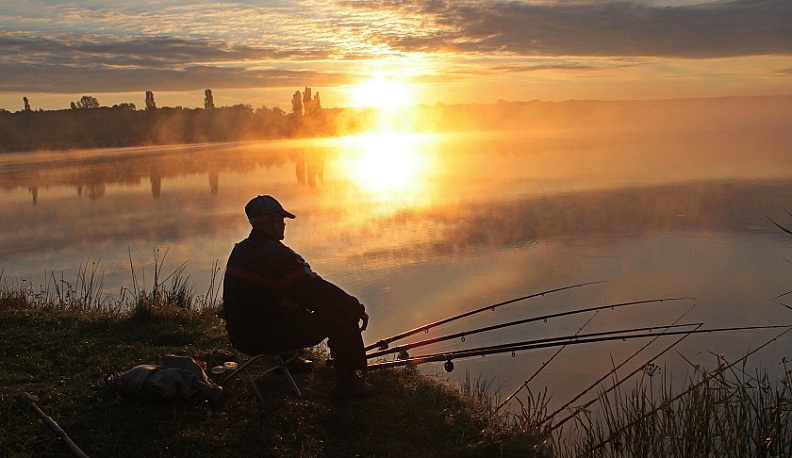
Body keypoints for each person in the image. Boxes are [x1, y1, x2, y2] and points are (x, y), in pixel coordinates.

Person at [222, 195, 374, 398]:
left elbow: (295, 291)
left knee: (285, 299)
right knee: (342, 313)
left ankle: (289, 360)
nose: (284, 224)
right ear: (274, 220)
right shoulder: (278, 256)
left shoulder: (239, 250)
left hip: (239, 336)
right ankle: (348, 384)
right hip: (264, 338)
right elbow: (316, 291)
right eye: (282, 219)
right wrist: (355, 306)